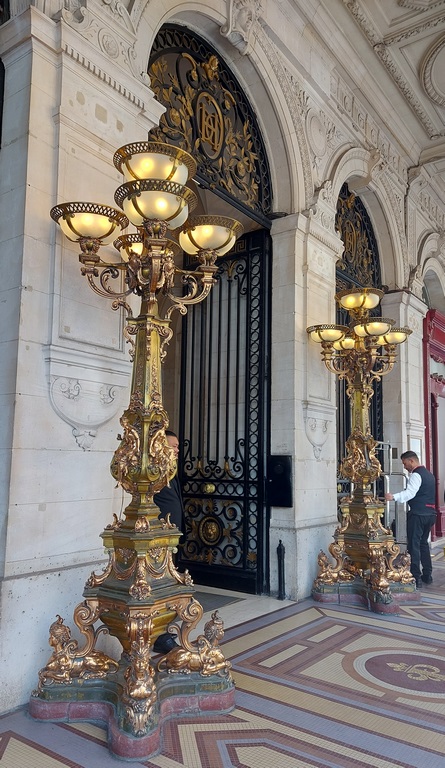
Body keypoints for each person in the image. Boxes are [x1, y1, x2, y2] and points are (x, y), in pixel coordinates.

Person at [153, 430, 184, 654]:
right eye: (172, 446)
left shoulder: (170, 473)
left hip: (171, 538)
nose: (177, 450)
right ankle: (159, 635)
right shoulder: (152, 473)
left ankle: (163, 628)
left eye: (177, 447)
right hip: (157, 540)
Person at [385, 450, 436, 589]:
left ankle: (416, 577)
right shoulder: (430, 475)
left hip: (418, 514)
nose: (405, 467)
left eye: (405, 463)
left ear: (412, 461)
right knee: (423, 544)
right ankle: (427, 575)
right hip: (431, 514)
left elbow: (410, 493)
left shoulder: (416, 474)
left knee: (414, 545)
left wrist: (393, 497)